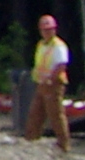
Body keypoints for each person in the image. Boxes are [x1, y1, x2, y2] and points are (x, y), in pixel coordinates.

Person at [23, 12, 72, 150]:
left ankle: (64, 145)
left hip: (54, 84)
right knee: (35, 113)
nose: (47, 32)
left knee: (56, 115)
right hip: (41, 83)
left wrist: (50, 79)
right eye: (45, 30)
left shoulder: (58, 46)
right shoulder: (41, 44)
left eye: (50, 29)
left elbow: (61, 65)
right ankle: (30, 141)